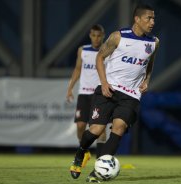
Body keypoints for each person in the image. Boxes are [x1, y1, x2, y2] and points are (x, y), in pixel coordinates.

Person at [70, 4, 159, 183]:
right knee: (95, 130)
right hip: (109, 90)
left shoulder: (153, 42)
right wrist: (103, 83)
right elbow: (100, 57)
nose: (152, 22)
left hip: (131, 95)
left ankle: (98, 173)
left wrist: (147, 80)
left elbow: (149, 63)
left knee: (119, 127)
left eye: (154, 18)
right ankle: (81, 153)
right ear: (137, 19)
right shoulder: (118, 37)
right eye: (149, 18)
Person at [66, 24, 106, 169]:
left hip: (100, 94)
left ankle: (101, 161)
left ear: (103, 36)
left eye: (99, 35)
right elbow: (77, 69)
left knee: (100, 128)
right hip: (84, 93)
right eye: (94, 35)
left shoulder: (107, 51)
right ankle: (85, 151)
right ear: (90, 35)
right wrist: (70, 88)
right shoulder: (83, 50)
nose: (96, 38)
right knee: (81, 125)